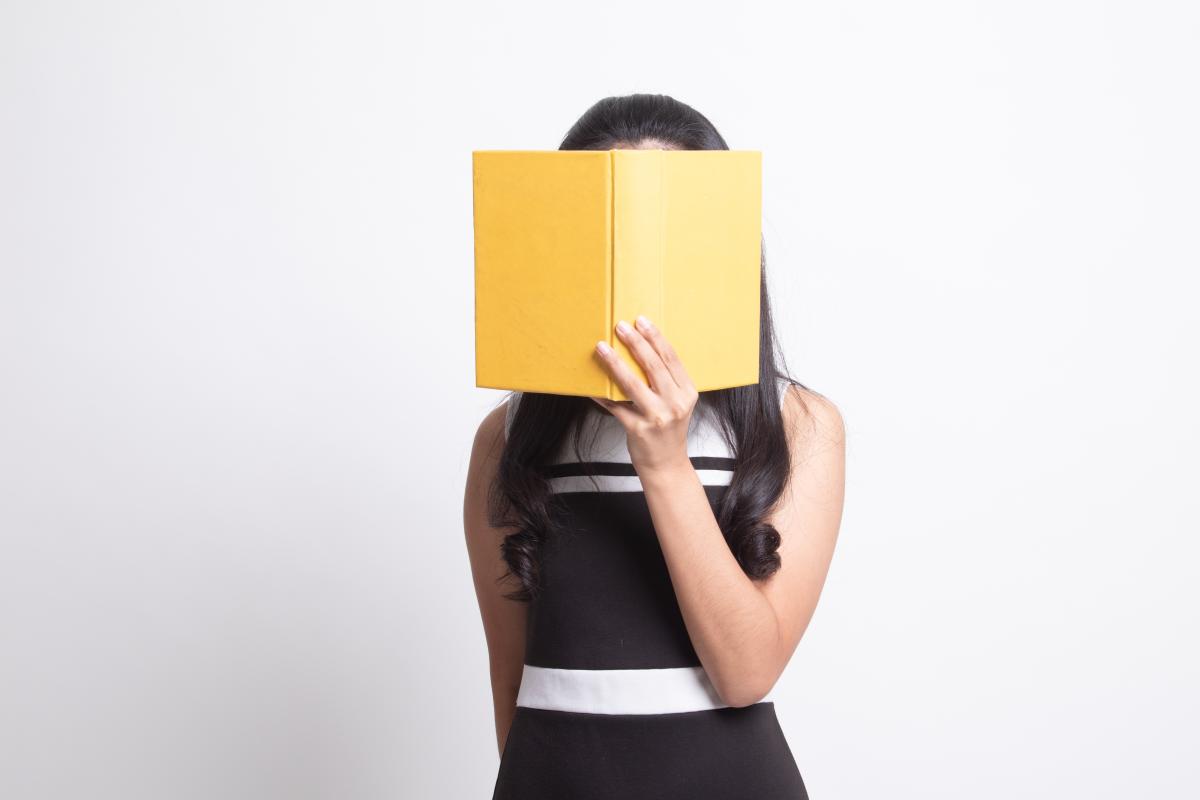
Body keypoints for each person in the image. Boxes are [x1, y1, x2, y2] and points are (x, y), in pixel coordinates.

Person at [463, 93, 846, 800]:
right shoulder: (508, 436)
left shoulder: (799, 424)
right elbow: (510, 680)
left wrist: (665, 462)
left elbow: (747, 674)